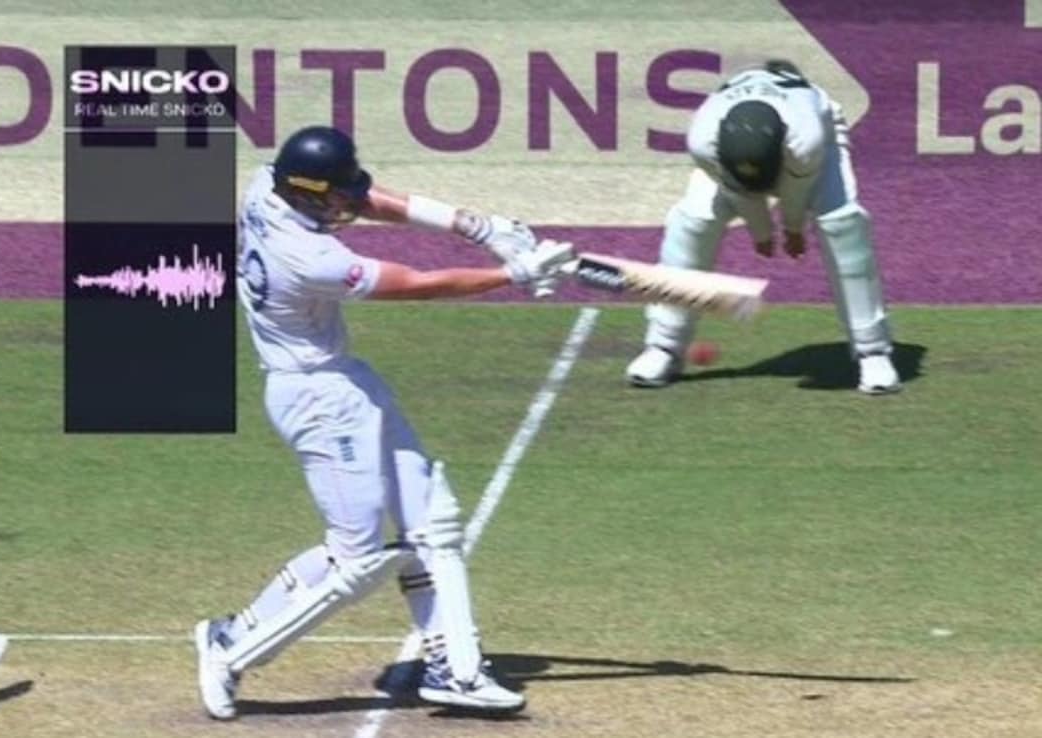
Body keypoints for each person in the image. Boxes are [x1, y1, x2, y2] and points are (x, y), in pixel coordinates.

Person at [193, 125, 572, 720]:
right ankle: (230, 648)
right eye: (335, 196)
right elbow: (417, 285)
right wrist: (512, 276)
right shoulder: (311, 259)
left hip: (343, 380)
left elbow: (367, 199)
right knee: (358, 559)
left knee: (434, 521)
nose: (348, 204)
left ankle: (456, 671)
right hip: (316, 398)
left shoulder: (267, 183)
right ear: (308, 194)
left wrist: (477, 227)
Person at [627, 59, 901, 394]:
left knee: (842, 224)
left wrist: (793, 230)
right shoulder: (703, 141)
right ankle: (663, 345)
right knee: (692, 223)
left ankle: (873, 351)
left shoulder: (806, 141)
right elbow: (740, 192)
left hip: (821, 139)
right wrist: (762, 234)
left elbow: (795, 192)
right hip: (734, 150)